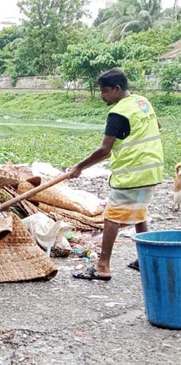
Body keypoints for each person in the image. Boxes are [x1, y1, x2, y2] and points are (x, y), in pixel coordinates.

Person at [69, 68, 164, 282]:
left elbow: (105, 150)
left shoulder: (118, 113)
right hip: (152, 169)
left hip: (132, 173)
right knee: (140, 212)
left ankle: (102, 266)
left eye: (104, 91)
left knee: (111, 216)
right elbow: (157, 126)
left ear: (117, 89)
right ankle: (144, 259)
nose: (102, 95)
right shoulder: (142, 102)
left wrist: (78, 167)